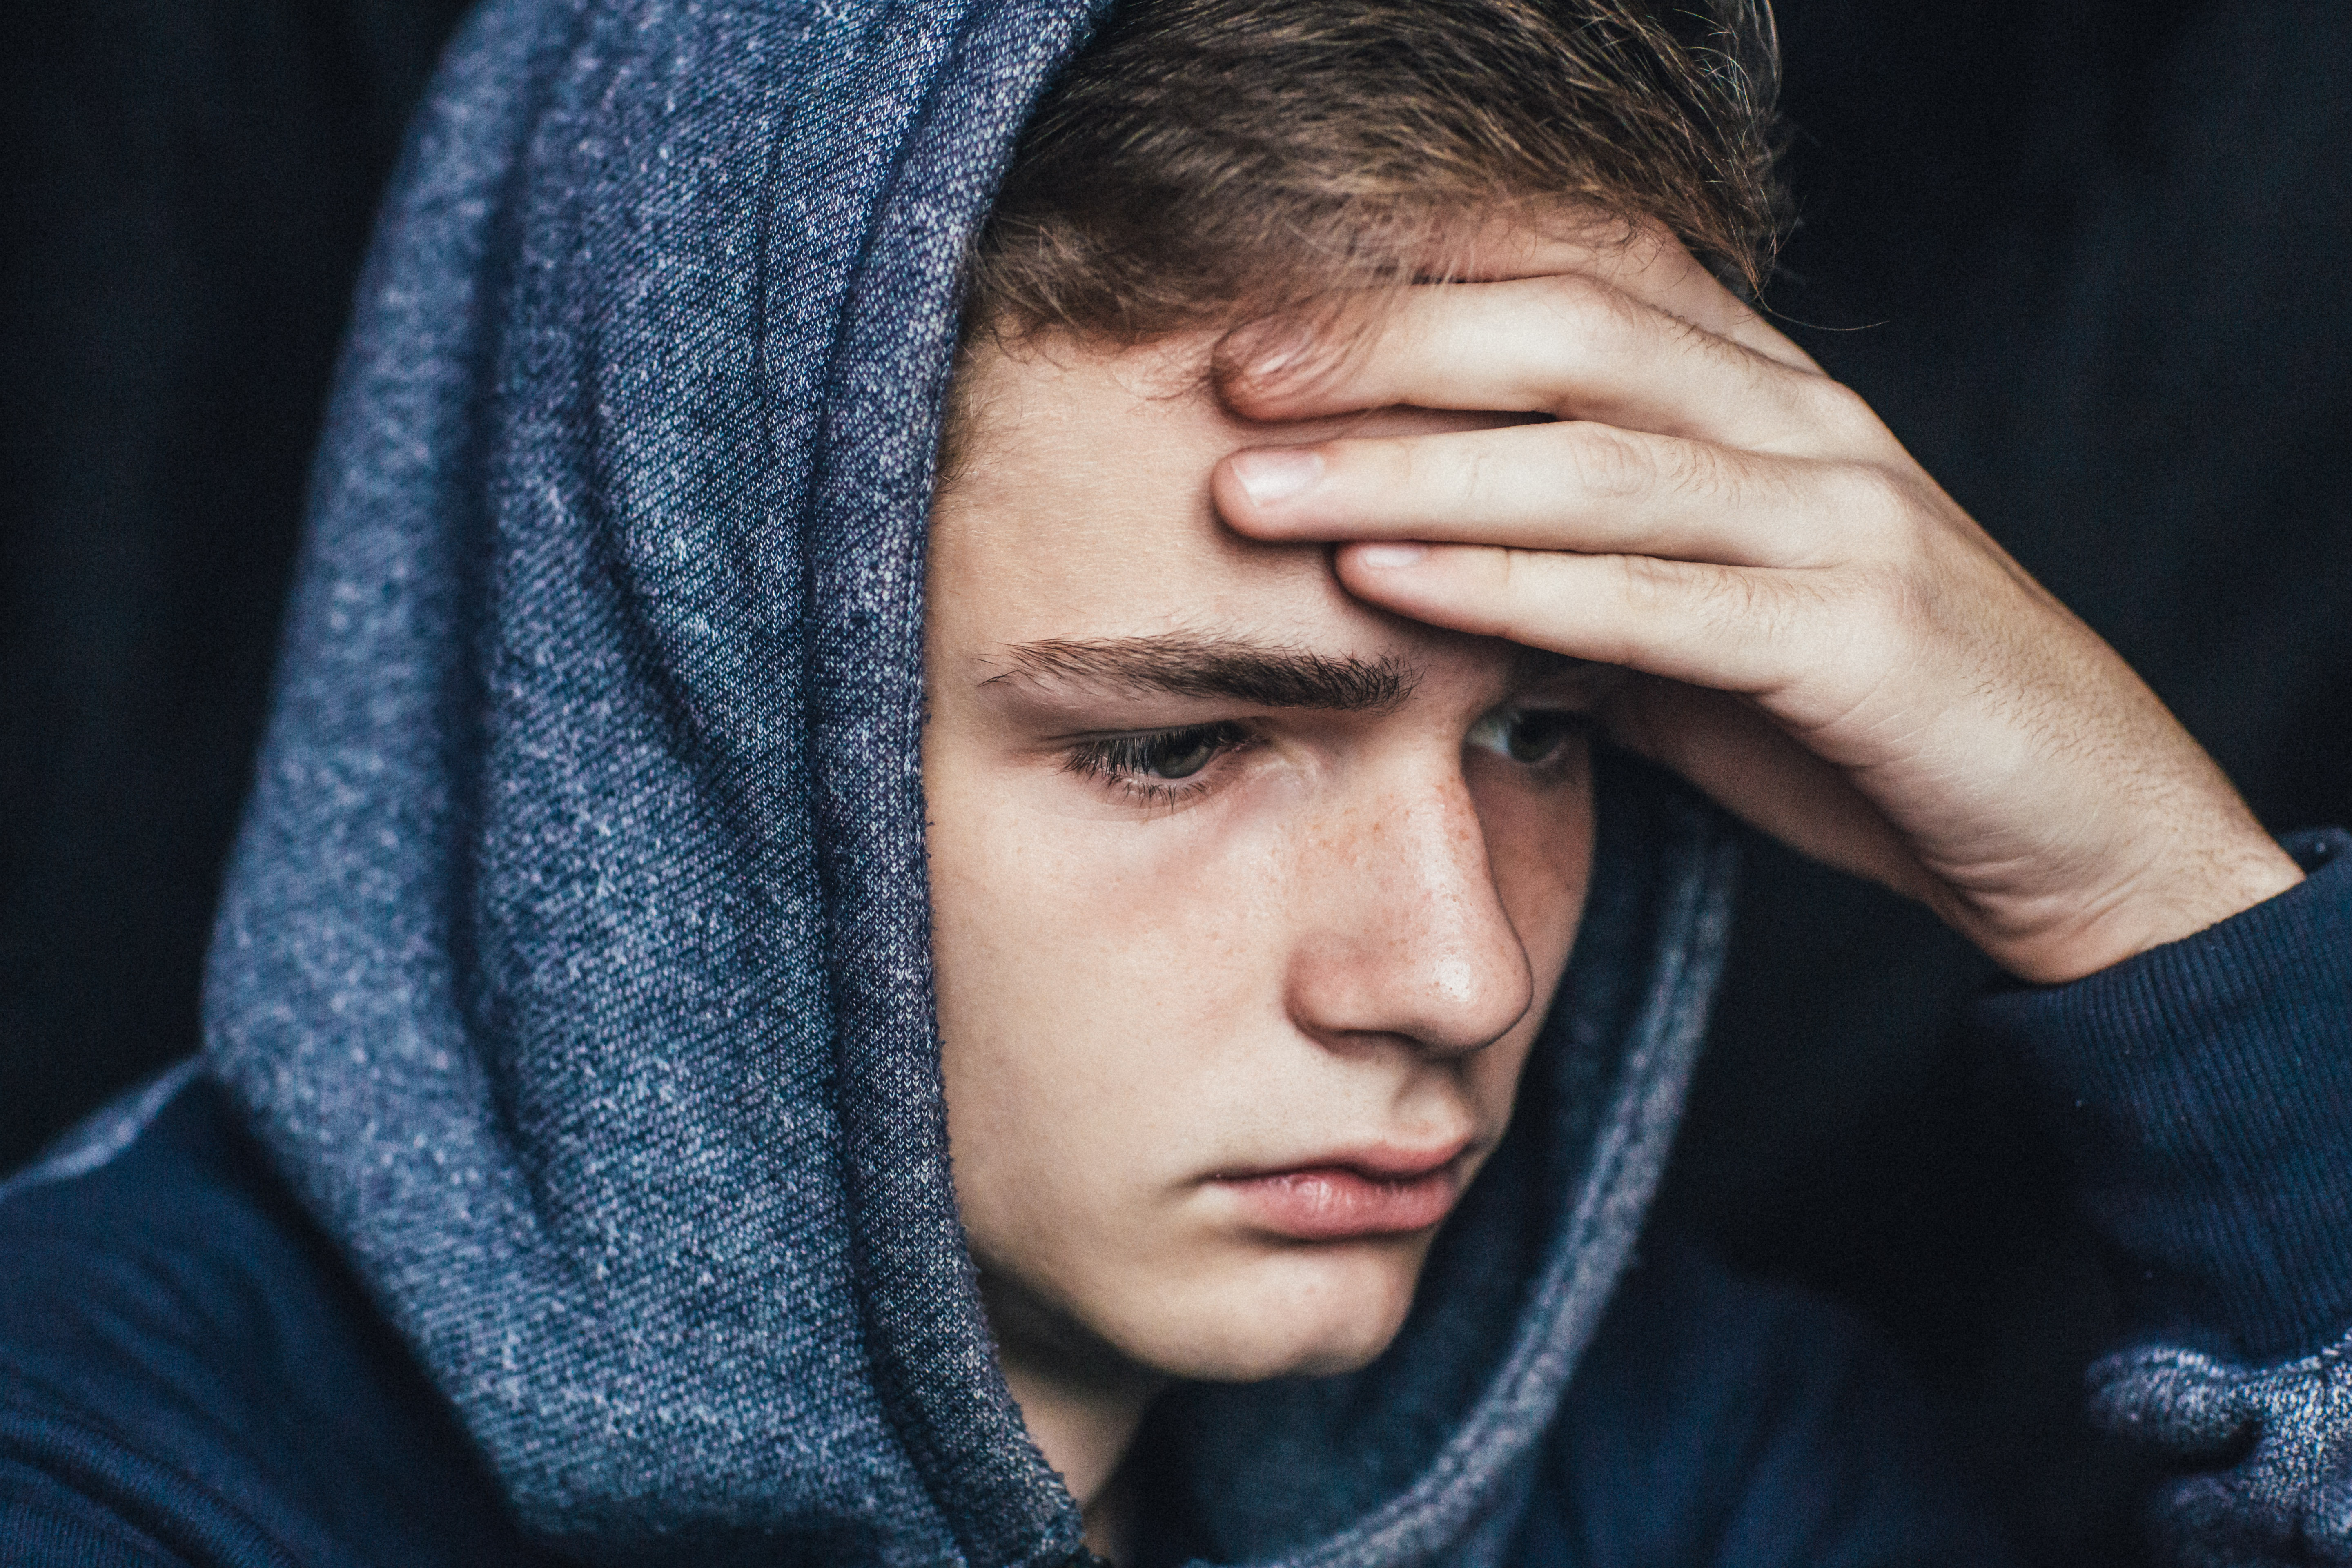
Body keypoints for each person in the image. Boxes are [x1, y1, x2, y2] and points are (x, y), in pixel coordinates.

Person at [1, 1, 2345, 1565]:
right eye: (1179, 740)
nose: (1454, 967)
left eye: (1542, 726)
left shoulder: (1685, 1457)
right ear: (664, 728)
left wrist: (2163, 911)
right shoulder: (104, 1470)